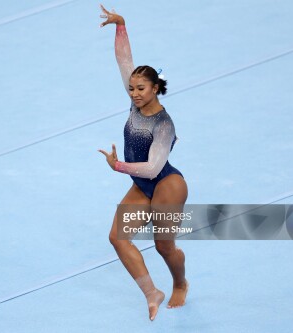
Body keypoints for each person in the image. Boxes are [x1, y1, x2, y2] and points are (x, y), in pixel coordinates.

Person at [97, 5, 189, 321]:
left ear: (155, 89)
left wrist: (118, 166)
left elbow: (152, 167)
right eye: (132, 88)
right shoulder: (135, 103)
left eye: (140, 89)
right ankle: (152, 293)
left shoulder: (164, 125)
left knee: (164, 247)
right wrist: (121, 26)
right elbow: (124, 60)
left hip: (166, 184)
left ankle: (180, 282)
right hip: (143, 185)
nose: (134, 93)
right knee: (117, 238)